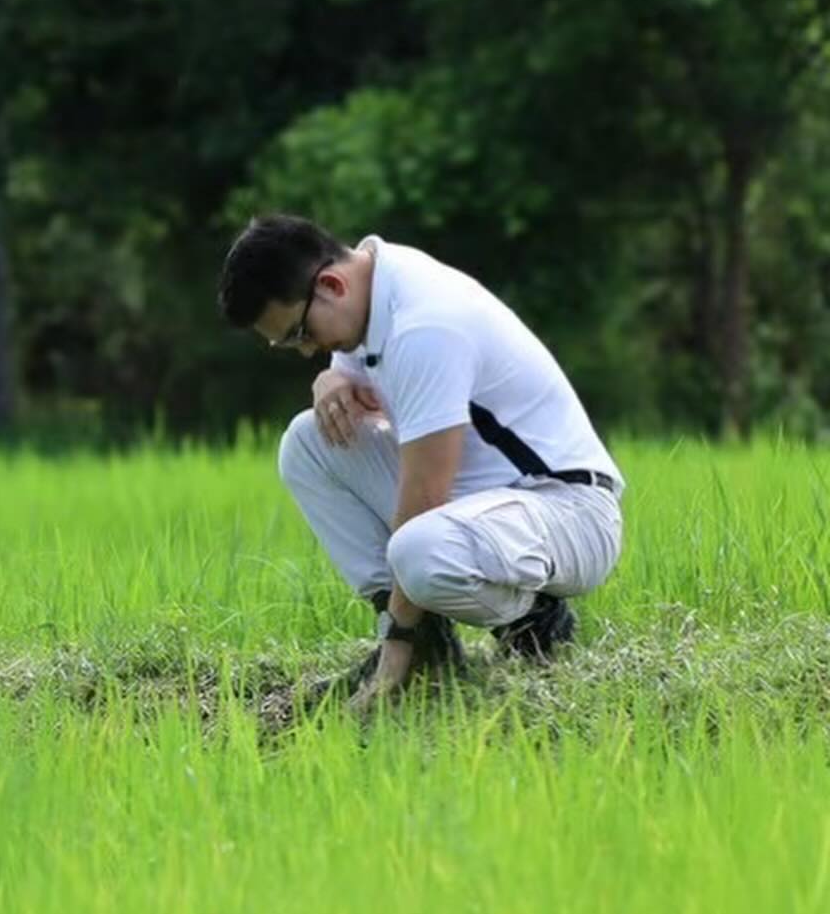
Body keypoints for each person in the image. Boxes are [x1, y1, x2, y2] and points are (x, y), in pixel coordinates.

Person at [217, 214, 625, 708]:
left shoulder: (424, 323)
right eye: (290, 343)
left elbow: (425, 499)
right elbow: (347, 381)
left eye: (299, 332)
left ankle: (530, 619)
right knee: (307, 443)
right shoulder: (373, 290)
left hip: (567, 508)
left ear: (330, 284)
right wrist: (328, 379)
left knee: (418, 551)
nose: (306, 351)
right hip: (485, 508)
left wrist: (394, 643)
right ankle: (431, 649)